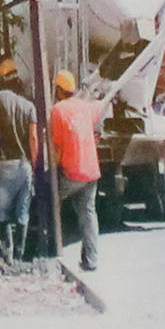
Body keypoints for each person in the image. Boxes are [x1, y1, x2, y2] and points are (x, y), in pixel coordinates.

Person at [48, 68, 107, 273]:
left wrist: (51, 171)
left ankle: (50, 250)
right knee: (88, 213)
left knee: (50, 202)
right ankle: (90, 260)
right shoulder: (86, 107)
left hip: (72, 172)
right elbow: (99, 110)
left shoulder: (57, 110)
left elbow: (56, 148)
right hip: (91, 171)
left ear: (58, 89)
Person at [0, 60, 43, 261]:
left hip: (6, 164)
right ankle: (19, 254)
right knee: (22, 211)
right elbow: (33, 139)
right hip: (24, 165)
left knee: (3, 210)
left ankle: (6, 253)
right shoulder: (30, 107)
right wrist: (35, 166)